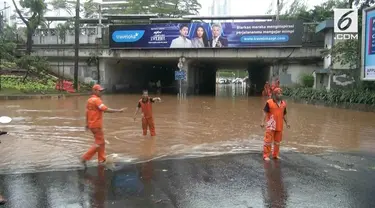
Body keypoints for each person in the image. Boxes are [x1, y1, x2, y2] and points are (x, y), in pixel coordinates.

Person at [80, 84, 126, 166]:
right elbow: (105, 109)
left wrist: (87, 124)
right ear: (94, 91)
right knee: (99, 143)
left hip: (91, 125)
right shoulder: (97, 100)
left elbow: (87, 112)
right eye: (99, 91)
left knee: (102, 142)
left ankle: (101, 159)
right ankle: (85, 157)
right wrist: (118, 110)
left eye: (101, 91)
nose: (101, 92)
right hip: (96, 125)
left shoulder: (89, 100)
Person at [260, 88, 290, 161]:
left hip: (279, 126)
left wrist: (287, 123)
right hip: (271, 125)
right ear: (275, 94)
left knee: (277, 142)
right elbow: (265, 112)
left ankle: (275, 155)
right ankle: (266, 155)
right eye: (278, 93)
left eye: (281, 93)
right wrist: (262, 122)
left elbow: (284, 114)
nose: (280, 95)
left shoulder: (283, 103)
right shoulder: (269, 102)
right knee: (268, 141)